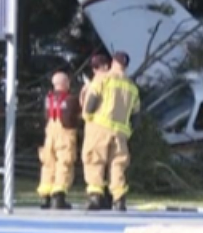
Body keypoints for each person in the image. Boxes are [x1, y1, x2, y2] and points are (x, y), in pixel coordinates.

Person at [82, 51, 140, 211]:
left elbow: (92, 100)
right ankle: (119, 198)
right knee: (118, 164)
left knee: (95, 160)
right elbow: (136, 114)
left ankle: (95, 196)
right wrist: (129, 131)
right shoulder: (132, 86)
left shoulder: (103, 78)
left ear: (113, 62)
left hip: (100, 127)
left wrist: (87, 116)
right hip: (121, 132)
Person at [37, 71, 81, 210]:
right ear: (64, 83)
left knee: (48, 164)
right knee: (64, 163)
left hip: (50, 134)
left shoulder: (48, 99)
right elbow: (79, 114)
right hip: (65, 135)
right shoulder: (71, 99)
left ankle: (45, 196)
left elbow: (46, 115)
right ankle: (58, 196)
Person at [79, 53, 114, 208]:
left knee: (94, 161)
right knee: (114, 163)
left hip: (97, 129)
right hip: (117, 129)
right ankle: (112, 197)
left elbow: (88, 106)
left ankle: (95, 196)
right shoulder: (121, 82)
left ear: (95, 68)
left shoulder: (97, 82)